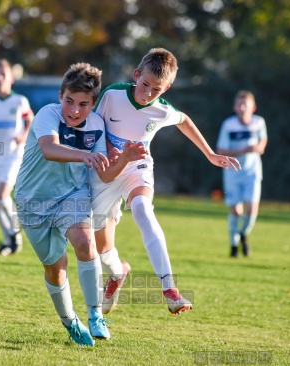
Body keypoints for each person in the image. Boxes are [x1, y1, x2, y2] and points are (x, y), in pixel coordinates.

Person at [90, 48, 241, 316]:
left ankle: (170, 290)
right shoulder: (112, 94)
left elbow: (185, 121)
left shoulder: (162, 110)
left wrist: (210, 154)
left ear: (167, 88)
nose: (147, 93)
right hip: (107, 170)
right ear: (136, 75)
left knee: (142, 210)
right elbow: (94, 123)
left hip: (138, 168)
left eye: (156, 89)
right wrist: (106, 149)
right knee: (102, 250)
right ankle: (118, 273)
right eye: (144, 84)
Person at [15, 63, 148, 346]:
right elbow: (49, 149)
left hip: (71, 196)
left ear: (94, 103)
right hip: (32, 201)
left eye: (83, 104)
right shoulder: (47, 115)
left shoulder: (97, 125)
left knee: (86, 243)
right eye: (69, 101)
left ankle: (95, 314)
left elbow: (104, 172)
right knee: (55, 267)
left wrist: (124, 159)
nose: (74, 110)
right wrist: (82, 155)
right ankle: (70, 321)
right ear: (60, 95)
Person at [0, 59, 34, 256]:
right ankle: (9, 241)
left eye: (3, 74)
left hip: (13, 155)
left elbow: (30, 120)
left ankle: (15, 231)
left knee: (3, 194)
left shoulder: (19, 101)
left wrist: (22, 135)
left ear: (11, 78)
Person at [216, 90, 267, 257]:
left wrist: (260, 147)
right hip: (232, 174)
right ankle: (233, 246)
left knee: (252, 211)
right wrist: (244, 150)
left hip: (252, 172)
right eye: (240, 104)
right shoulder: (228, 125)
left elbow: (263, 140)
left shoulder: (259, 122)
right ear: (235, 107)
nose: (243, 107)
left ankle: (243, 234)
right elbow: (221, 150)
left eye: (246, 104)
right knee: (236, 212)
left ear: (254, 107)